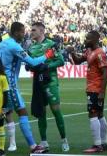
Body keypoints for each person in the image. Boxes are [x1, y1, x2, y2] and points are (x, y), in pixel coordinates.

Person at [0, 22, 55, 154]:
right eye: (22, 32)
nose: (24, 34)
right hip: (10, 85)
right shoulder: (14, 46)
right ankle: (33, 146)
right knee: (22, 112)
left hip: (0, 83)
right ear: (16, 32)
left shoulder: (3, 43)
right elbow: (33, 62)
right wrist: (47, 55)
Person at [28, 22, 67, 152]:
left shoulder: (51, 44)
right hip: (38, 83)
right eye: (31, 30)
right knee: (41, 112)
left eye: (34, 30)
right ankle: (44, 141)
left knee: (56, 111)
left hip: (51, 82)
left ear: (41, 31)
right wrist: (29, 66)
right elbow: (30, 63)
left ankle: (64, 139)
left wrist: (47, 66)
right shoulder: (31, 47)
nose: (31, 32)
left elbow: (61, 61)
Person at [69, 30, 107, 153]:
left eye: (88, 38)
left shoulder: (99, 53)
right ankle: (104, 143)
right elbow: (77, 61)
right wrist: (72, 52)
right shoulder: (89, 51)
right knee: (100, 115)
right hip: (92, 88)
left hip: (95, 89)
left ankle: (97, 145)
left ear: (95, 40)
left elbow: (106, 73)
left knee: (93, 114)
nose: (85, 40)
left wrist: (102, 92)